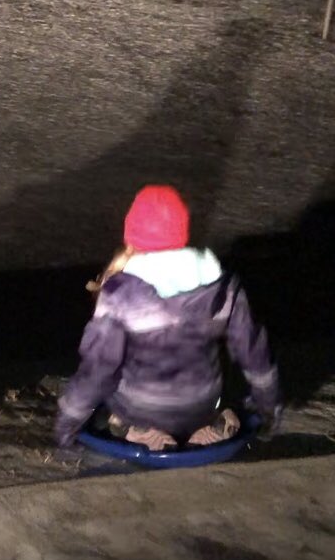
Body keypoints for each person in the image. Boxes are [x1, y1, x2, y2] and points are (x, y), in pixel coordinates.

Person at [55, 185, 282, 452]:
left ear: (132, 238)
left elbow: (98, 369)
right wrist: (269, 408)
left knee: (109, 396)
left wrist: (67, 424)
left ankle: (133, 427)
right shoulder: (223, 286)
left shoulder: (119, 294)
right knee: (218, 363)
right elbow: (253, 353)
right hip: (202, 404)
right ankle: (208, 423)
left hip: (140, 408)